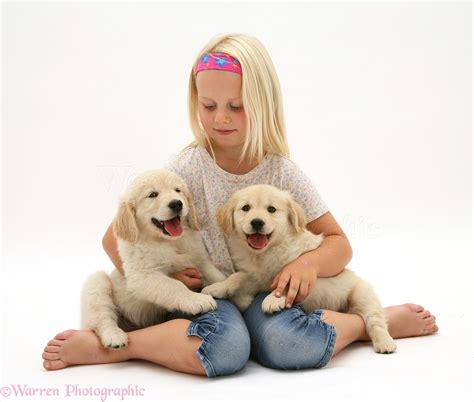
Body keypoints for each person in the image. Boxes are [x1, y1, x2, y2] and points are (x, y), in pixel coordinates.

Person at [42, 33, 438, 377]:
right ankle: (117, 346)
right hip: (214, 294)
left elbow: (339, 243)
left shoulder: (283, 173)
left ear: (263, 103)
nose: (220, 118)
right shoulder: (187, 167)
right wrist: (170, 281)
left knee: (289, 346)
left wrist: (307, 264)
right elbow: (116, 238)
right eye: (209, 105)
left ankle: (369, 323)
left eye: (236, 105)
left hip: (265, 291)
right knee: (225, 349)